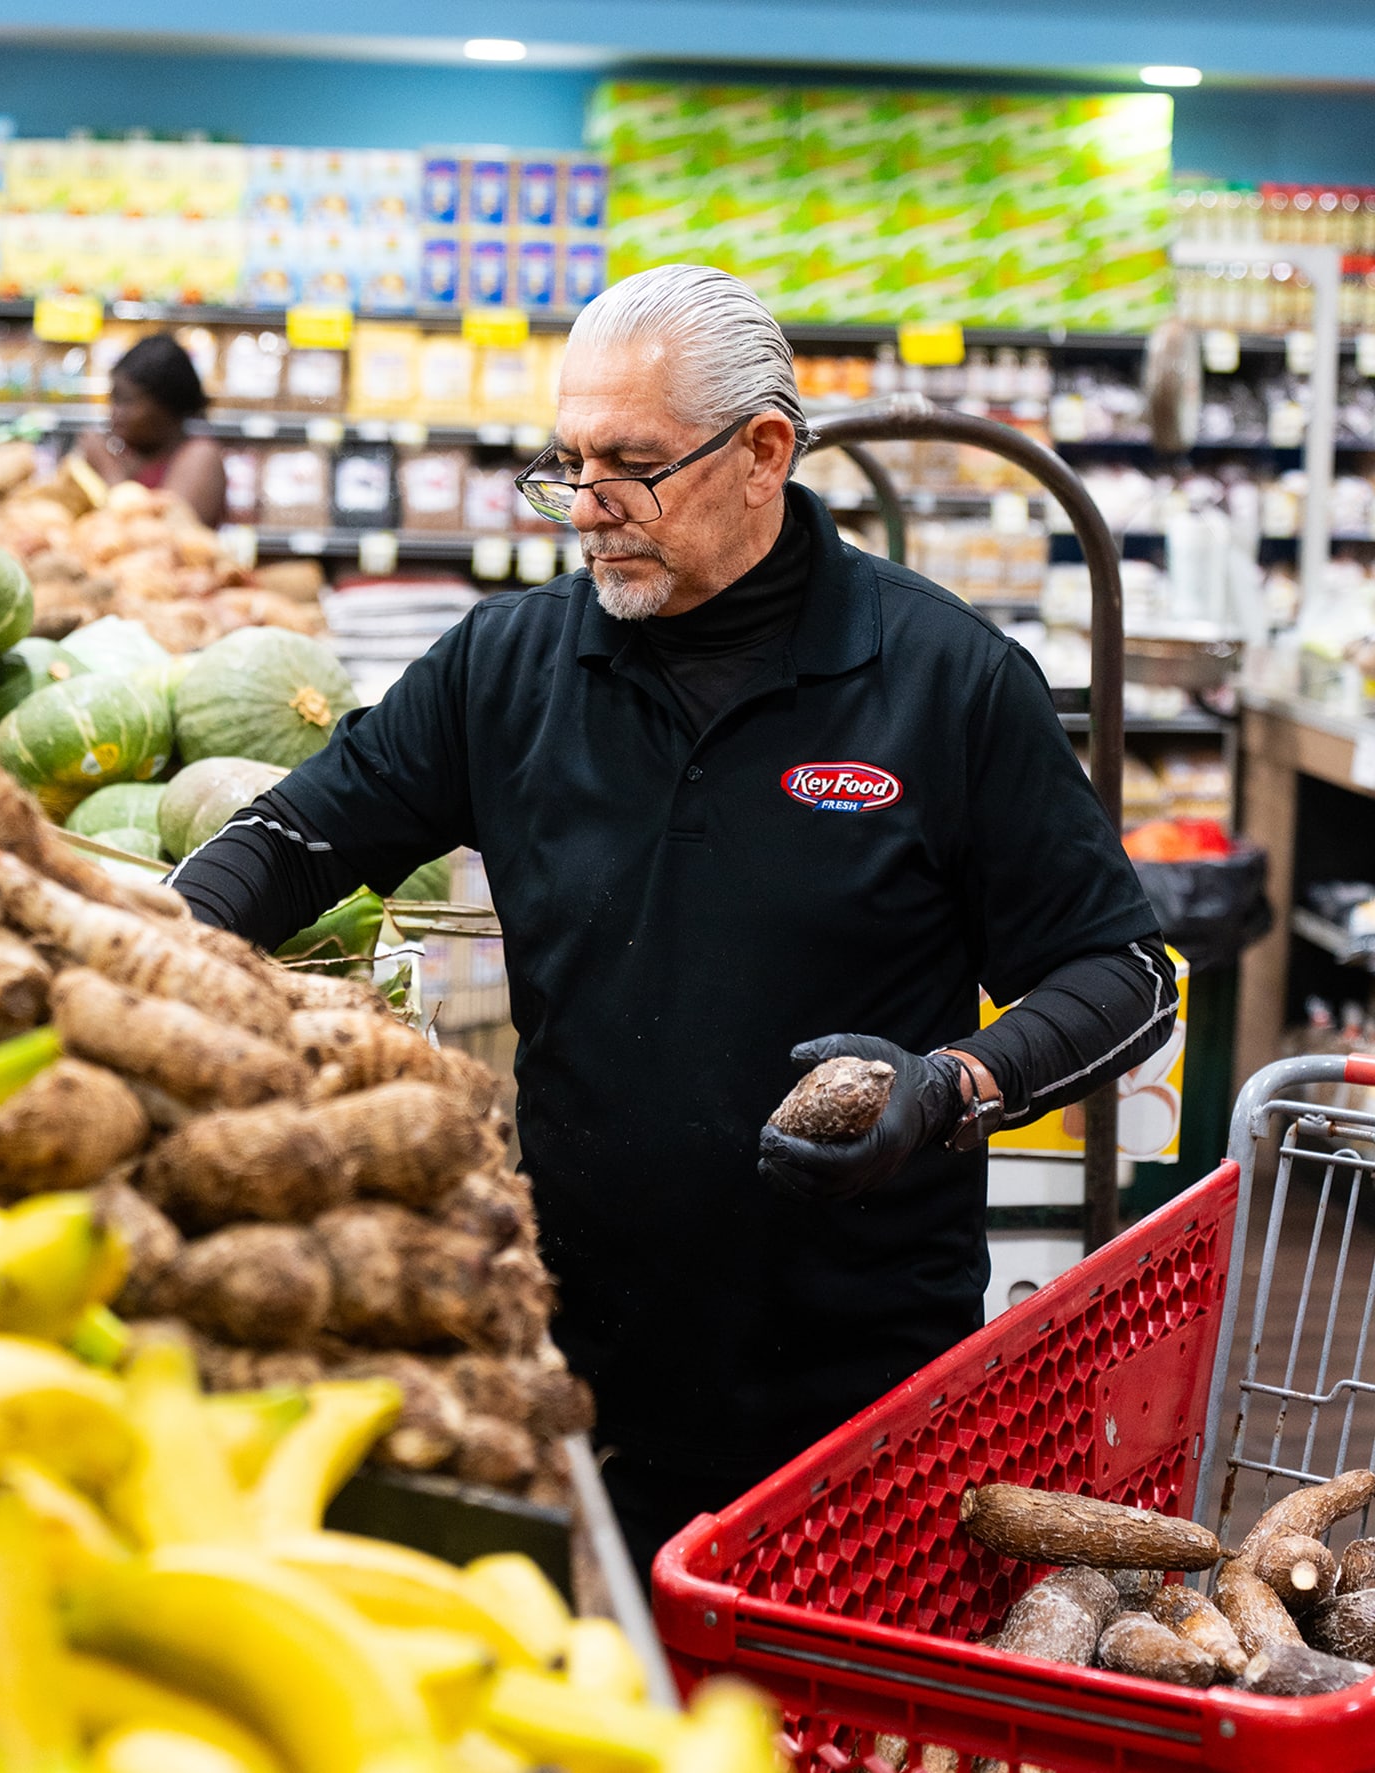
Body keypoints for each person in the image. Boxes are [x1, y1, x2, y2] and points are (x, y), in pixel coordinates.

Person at [166, 264, 1178, 1581]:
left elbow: (1122, 972)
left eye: (633, 467)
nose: (589, 507)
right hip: (578, 1368)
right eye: (570, 464)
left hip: (859, 1393)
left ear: (764, 453)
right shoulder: (506, 667)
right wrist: (144, 945)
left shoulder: (946, 680)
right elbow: (292, 842)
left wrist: (951, 1086)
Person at [79, 333, 228, 527]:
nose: (115, 412)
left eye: (127, 401)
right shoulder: (127, 454)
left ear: (166, 405)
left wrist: (107, 470)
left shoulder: (201, 456)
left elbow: (166, 534)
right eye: (113, 399)